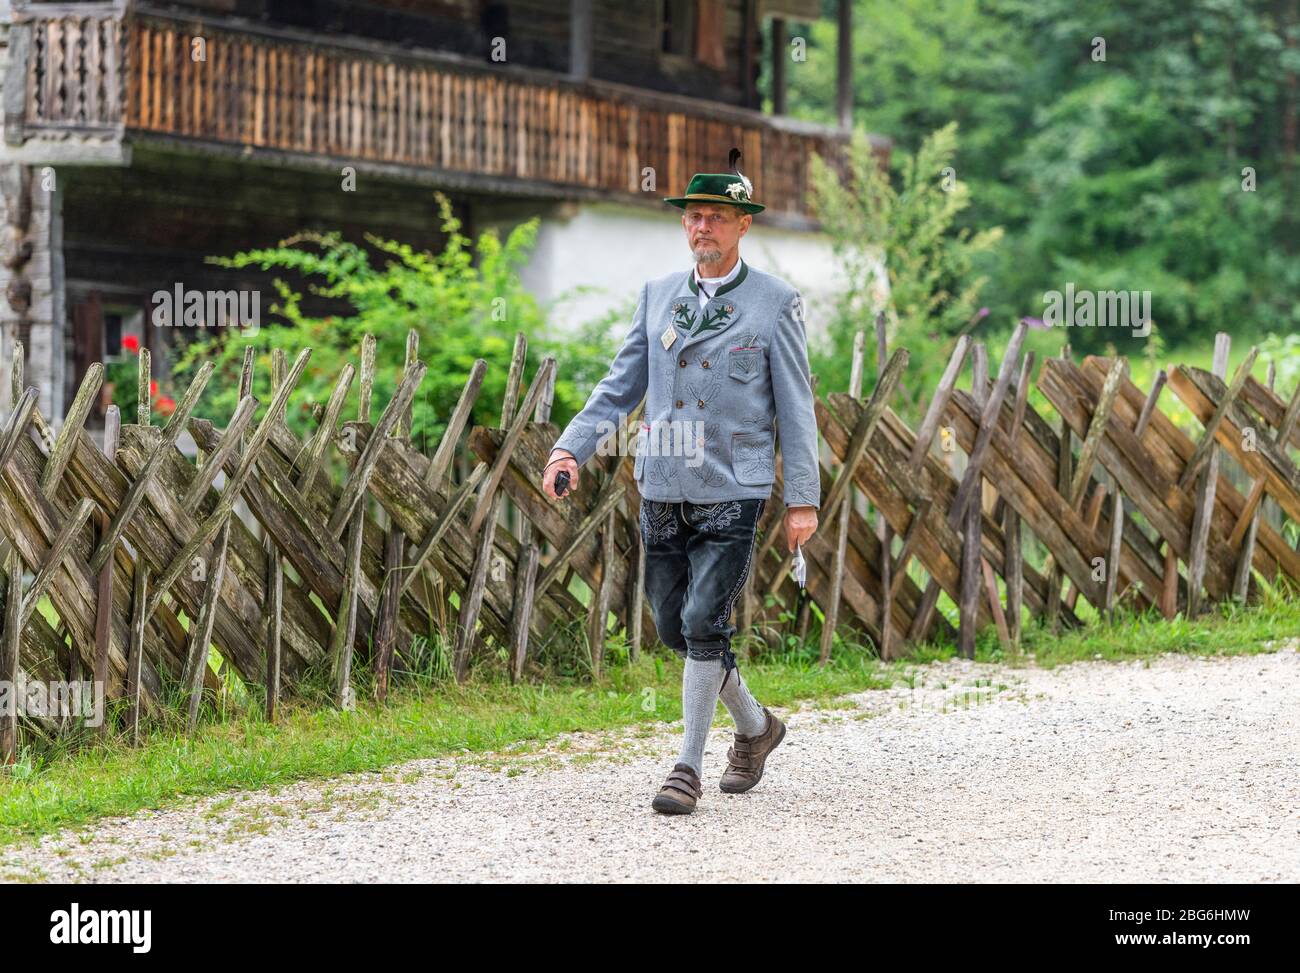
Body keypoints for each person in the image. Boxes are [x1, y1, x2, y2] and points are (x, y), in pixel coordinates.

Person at [541, 162, 821, 815]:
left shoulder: (774, 302)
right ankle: (755, 727)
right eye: (693, 215)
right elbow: (620, 387)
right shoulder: (657, 294)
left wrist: (801, 497)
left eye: (716, 215)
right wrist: (570, 447)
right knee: (673, 625)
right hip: (663, 484)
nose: (702, 225)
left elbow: (797, 407)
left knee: (703, 621)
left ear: (743, 224)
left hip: (735, 483)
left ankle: (686, 768)